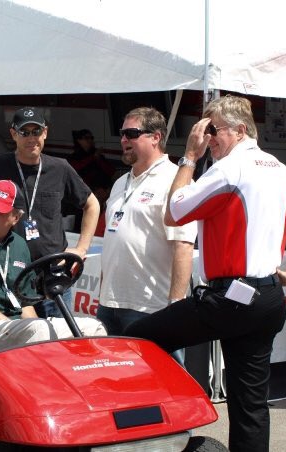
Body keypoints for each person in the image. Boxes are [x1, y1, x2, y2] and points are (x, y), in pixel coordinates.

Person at [123, 95, 286, 452]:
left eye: (213, 129)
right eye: (204, 130)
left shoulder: (230, 168)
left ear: (239, 130)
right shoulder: (278, 169)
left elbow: (173, 212)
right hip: (265, 299)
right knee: (249, 404)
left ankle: (161, 428)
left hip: (231, 299)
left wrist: (189, 155)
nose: (207, 136)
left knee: (137, 338)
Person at [0, 107, 100, 318]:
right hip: (9, 274)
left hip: (54, 273)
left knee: (58, 341)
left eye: (36, 131)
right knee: (18, 340)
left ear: (45, 133)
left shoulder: (59, 167)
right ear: (13, 134)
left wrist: (81, 248)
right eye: (25, 132)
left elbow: (92, 204)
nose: (31, 138)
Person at [0, 180, 106, 349]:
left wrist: (31, 325)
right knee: (39, 333)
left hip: (15, 328)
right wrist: (11, 325)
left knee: (94, 329)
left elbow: (25, 304)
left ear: (16, 218)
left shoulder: (19, 245)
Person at [97, 108, 196, 366]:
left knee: (165, 384)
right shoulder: (120, 182)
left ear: (156, 137)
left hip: (151, 307)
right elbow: (113, 241)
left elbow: (184, 246)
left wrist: (176, 306)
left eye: (131, 134)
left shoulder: (175, 180)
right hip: (110, 304)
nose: (123, 140)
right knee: (118, 385)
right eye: (122, 134)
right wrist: (102, 294)